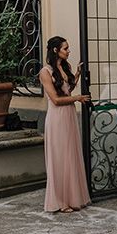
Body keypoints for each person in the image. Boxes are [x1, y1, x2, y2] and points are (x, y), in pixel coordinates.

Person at [39, 36, 91, 213]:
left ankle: (72, 197)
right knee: (59, 157)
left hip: (68, 115)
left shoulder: (65, 67)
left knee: (70, 155)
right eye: (65, 48)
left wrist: (76, 74)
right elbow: (55, 99)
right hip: (57, 117)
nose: (69, 51)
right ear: (55, 50)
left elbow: (67, 90)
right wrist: (77, 99)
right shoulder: (45, 72)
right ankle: (60, 201)